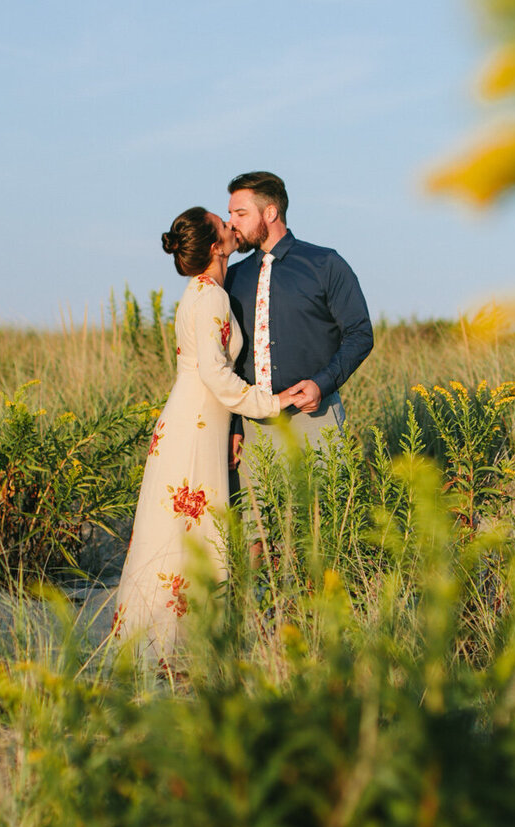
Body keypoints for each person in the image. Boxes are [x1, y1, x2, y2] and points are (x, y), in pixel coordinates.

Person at [110, 205, 299, 657]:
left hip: (196, 419)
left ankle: (168, 643)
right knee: (189, 530)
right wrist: (273, 402)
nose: (234, 227)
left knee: (176, 529)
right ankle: (178, 647)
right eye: (225, 224)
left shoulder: (201, 291)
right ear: (217, 246)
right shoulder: (211, 297)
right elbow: (216, 375)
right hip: (196, 423)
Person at [224, 171, 374, 504]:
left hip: (313, 419)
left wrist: (322, 383)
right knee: (254, 533)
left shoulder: (325, 264)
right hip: (252, 426)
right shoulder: (234, 277)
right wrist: (234, 424)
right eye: (231, 213)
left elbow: (360, 333)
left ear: (270, 213)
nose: (230, 222)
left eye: (240, 213)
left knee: (319, 526)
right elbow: (229, 359)